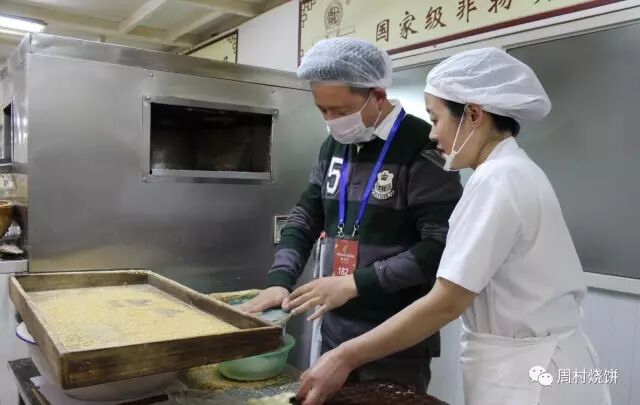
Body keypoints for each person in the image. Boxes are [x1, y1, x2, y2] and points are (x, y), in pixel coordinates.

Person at [296, 47, 611, 405]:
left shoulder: (498, 181)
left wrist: (344, 356)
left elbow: (445, 303)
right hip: (528, 362)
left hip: (531, 375)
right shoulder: (512, 171)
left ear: (473, 115)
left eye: (435, 119)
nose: (432, 134)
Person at [239, 37, 462, 392]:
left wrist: (356, 284)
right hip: (336, 330)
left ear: (377, 95)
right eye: (323, 111)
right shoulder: (334, 146)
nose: (332, 121)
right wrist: (280, 280)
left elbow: (439, 246)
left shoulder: (423, 145)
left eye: (341, 111)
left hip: (395, 340)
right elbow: (306, 215)